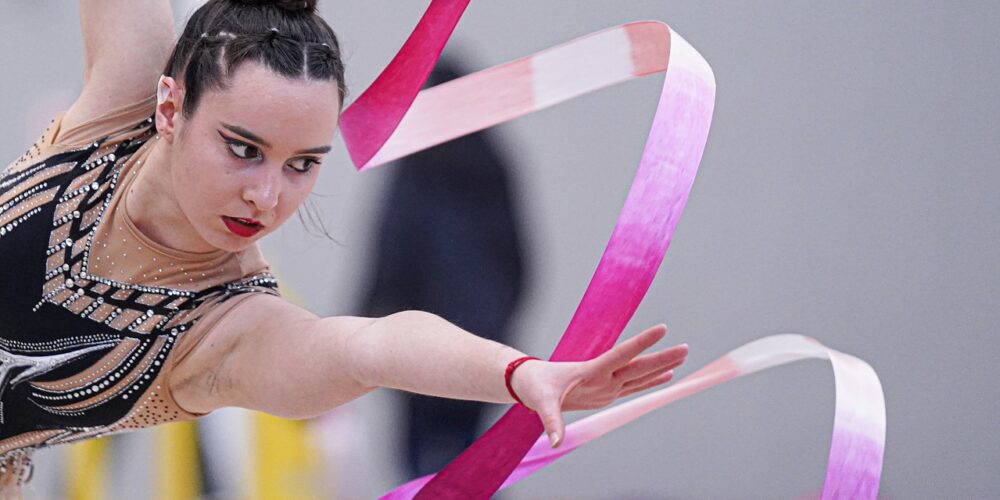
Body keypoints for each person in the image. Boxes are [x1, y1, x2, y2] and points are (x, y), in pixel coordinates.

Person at [0, 0, 688, 494]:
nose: (266, 197)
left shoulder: (230, 331)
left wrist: (515, 373)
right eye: (243, 149)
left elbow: (374, 347)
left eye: (302, 164)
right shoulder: (127, 92)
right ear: (171, 109)